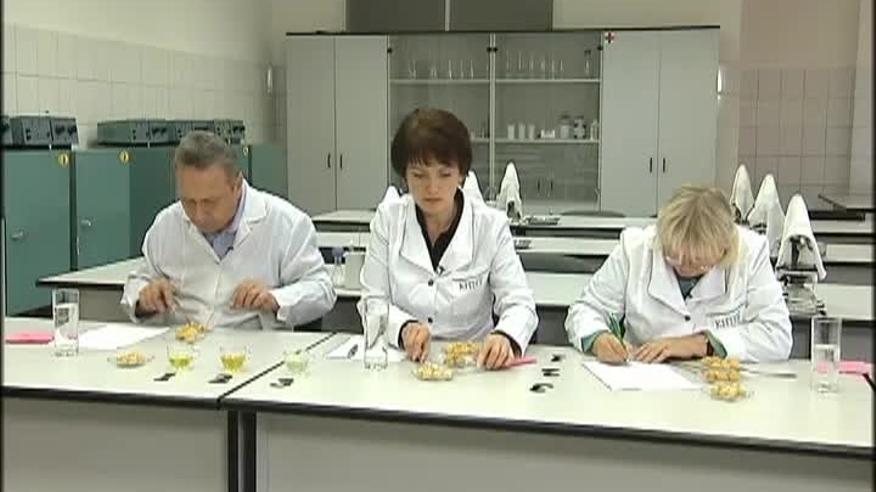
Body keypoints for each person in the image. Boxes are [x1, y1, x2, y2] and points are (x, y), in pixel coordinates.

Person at [359, 108, 537, 369]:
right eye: (419, 175)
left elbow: (520, 303)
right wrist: (404, 328)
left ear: (462, 173)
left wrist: (505, 336)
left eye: (444, 174)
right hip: (406, 365)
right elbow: (372, 301)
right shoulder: (388, 220)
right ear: (404, 175)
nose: (432, 188)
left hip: (474, 368)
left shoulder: (490, 226)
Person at [121, 131, 335, 329]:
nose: (198, 214)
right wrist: (144, 297)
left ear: (237, 185)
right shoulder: (167, 224)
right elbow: (138, 282)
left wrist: (275, 298)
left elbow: (322, 289)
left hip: (256, 349)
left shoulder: (286, 223)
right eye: (188, 201)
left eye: (209, 202)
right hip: (182, 348)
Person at [565, 185, 792, 363]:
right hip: (643, 379)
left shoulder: (750, 253)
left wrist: (700, 344)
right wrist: (598, 338)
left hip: (716, 384)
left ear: (724, 249)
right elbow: (586, 309)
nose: (683, 267)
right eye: (672, 255)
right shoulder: (635, 249)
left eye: (696, 262)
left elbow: (777, 335)